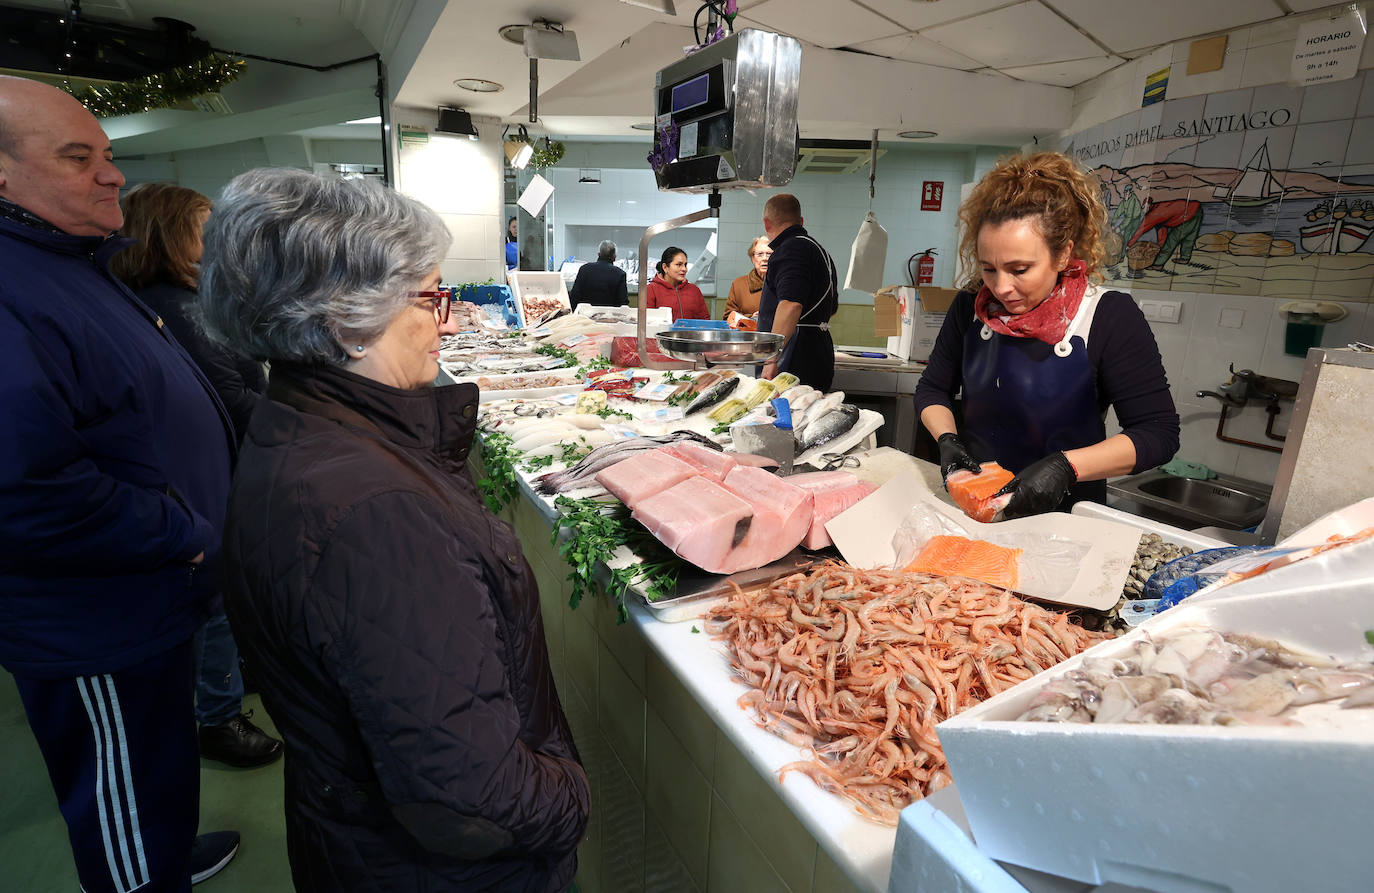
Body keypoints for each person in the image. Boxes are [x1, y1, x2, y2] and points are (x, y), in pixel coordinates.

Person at [198, 168, 589, 892]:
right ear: (348, 323)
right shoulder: (376, 513)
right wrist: (573, 798)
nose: (446, 319)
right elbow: (467, 796)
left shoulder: (301, 422)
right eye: (432, 296)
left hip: (352, 841)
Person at [0, 76, 240, 889]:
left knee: (152, 773)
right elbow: (28, 492)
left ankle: (159, 848)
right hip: (95, 617)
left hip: (147, 593)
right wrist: (185, 533)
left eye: (108, 155)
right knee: (120, 791)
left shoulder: (69, 260)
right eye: (78, 158)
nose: (113, 177)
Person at [108, 182, 282, 769]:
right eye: (203, 228)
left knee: (222, 600)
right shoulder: (178, 307)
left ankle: (228, 687)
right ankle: (220, 715)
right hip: (200, 483)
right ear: (168, 233)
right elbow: (234, 398)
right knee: (211, 601)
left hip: (208, 473)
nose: (216, 240)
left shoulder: (176, 299)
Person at [913, 151, 1180, 519]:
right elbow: (932, 389)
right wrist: (947, 439)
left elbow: (1157, 433)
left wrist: (1065, 468)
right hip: (976, 504)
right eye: (989, 268)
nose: (1001, 287)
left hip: (1066, 515)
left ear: (1063, 255)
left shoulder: (1107, 316)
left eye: (1020, 269)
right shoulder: (970, 308)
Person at [758, 193, 839, 390]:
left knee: (785, 418)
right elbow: (832, 308)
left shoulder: (791, 249)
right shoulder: (820, 252)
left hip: (795, 355)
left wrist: (771, 359)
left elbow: (791, 303)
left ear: (766, 224)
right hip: (818, 350)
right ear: (801, 221)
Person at [644, 245, 709, 321]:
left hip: (690, 333)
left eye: (685, 265)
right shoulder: (651, 290)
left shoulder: (694, 290)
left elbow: (704, 319)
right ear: (665, 267)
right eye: (679, 265)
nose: (684, 269)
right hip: (662, 333)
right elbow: (648, 321)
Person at [724, 235, 770, 328]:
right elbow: (727, 318)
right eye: (760, 254)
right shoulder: (738, 285)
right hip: (747, 338)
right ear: (753, 258)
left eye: (769, 254)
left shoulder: (784, 284)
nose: (765, 258)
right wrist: (750, 319)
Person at [569, 238, 628, 308]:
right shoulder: (620, 274)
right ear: (614, 257)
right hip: (609, 316)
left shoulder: (584, 269)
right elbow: (623, 303)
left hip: (585, 316)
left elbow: (574, 297)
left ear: (598, 254)